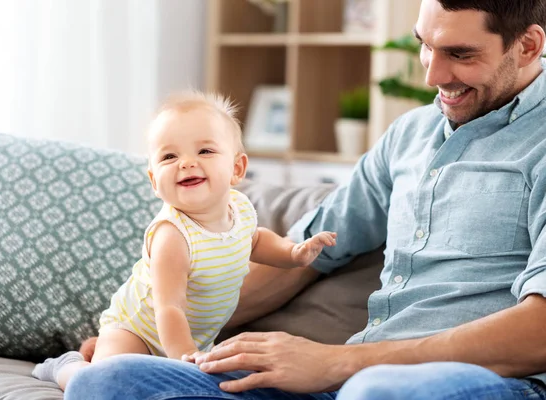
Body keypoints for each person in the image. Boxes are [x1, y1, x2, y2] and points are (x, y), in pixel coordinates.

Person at [64, 0, 546, 398]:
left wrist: (335, 361)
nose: (431, 75)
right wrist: (145, 338)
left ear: (528, 45)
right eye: (425, 45)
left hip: (480, 383)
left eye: (460, 54)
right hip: (346, 380)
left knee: (377, 393)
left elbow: (539, 331)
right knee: (111, 380)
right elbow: (313, 253)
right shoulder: (409, 136)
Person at [31, 91, 337, 390]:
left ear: (237, 168)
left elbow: (256, 241)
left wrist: (293, 253)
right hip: (138, 332)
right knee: (103, 382)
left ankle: (97, 350)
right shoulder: (172, 236)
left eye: (204, 151)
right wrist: (184, 358)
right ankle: (67, 367)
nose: (187, 163)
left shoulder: (240, 208)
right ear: (154, 181)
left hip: (194, 336)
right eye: (169, 156)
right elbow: (170, 309)